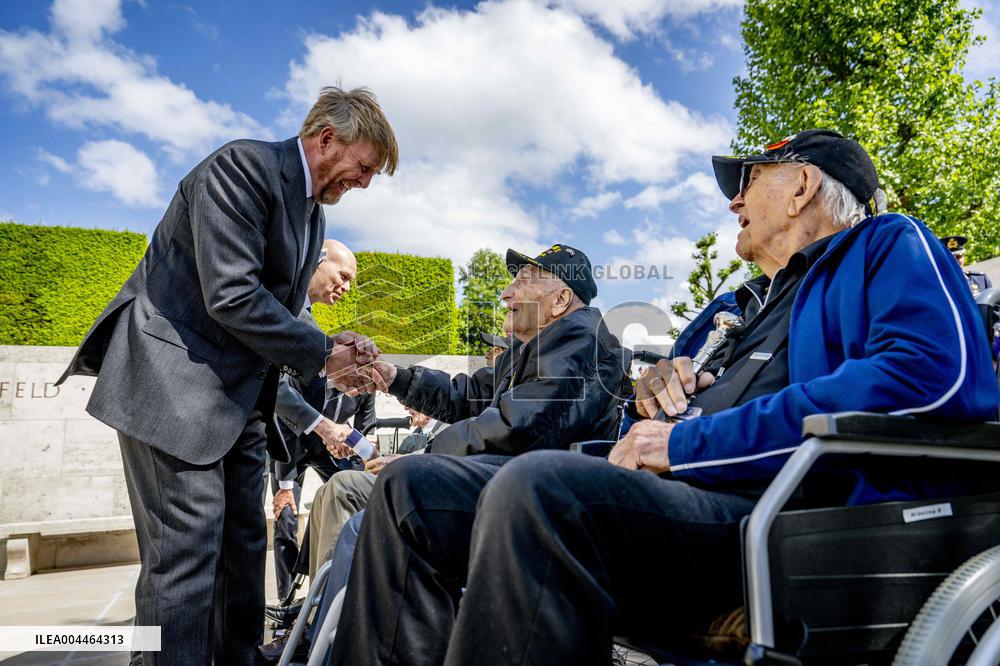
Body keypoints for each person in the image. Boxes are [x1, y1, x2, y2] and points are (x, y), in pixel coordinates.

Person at [329, 129, 1000, 666]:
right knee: (410, 488)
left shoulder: (884, 247)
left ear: (800, 185)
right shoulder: (730, 307)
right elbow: (637, 418)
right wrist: (649, 397)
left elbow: (927, 375)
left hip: (785, 514)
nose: (734, 203)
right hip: (677, 502)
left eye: (749, 182)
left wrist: (686, 441)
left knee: (539, 489)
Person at [56, 86, 397, 666]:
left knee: (244, 549)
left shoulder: (312, 215)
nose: (363, 183)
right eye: (363, 167)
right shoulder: (242, 166)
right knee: (183, 562)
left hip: (239, 406)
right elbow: (233, 295)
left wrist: (336, 344)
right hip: (173, 389)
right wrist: (322, 352)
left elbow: (283, 318)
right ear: (325, 139)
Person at [269, 240, 376, 604]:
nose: (346, 288)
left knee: (347, 493)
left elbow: (366, 423)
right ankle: (288, 600)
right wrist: (285, 484)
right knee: (285, 518)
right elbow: (280, 405)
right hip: (290, 447)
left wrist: (367, 455)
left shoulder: (305, 319)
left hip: (333, 447)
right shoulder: (301, 333)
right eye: (343, 276)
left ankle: (330, 587)